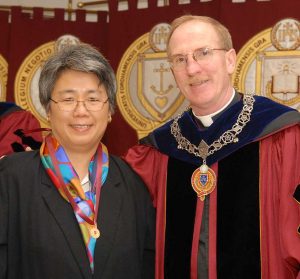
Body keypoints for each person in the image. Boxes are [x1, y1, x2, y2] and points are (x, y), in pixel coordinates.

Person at [124, 15, 300, 279]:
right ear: (173, 71)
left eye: (203, 53)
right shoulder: (157, 151)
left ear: (230, 60)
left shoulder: (283, 135)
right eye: (180, 59)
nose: (192, 69)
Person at [0, 43, 155, 279]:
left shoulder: (133, 183)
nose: (81, 111)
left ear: (110, 110)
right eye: (68, 99)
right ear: (48, 110)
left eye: (93, 99)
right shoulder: (10, 179)